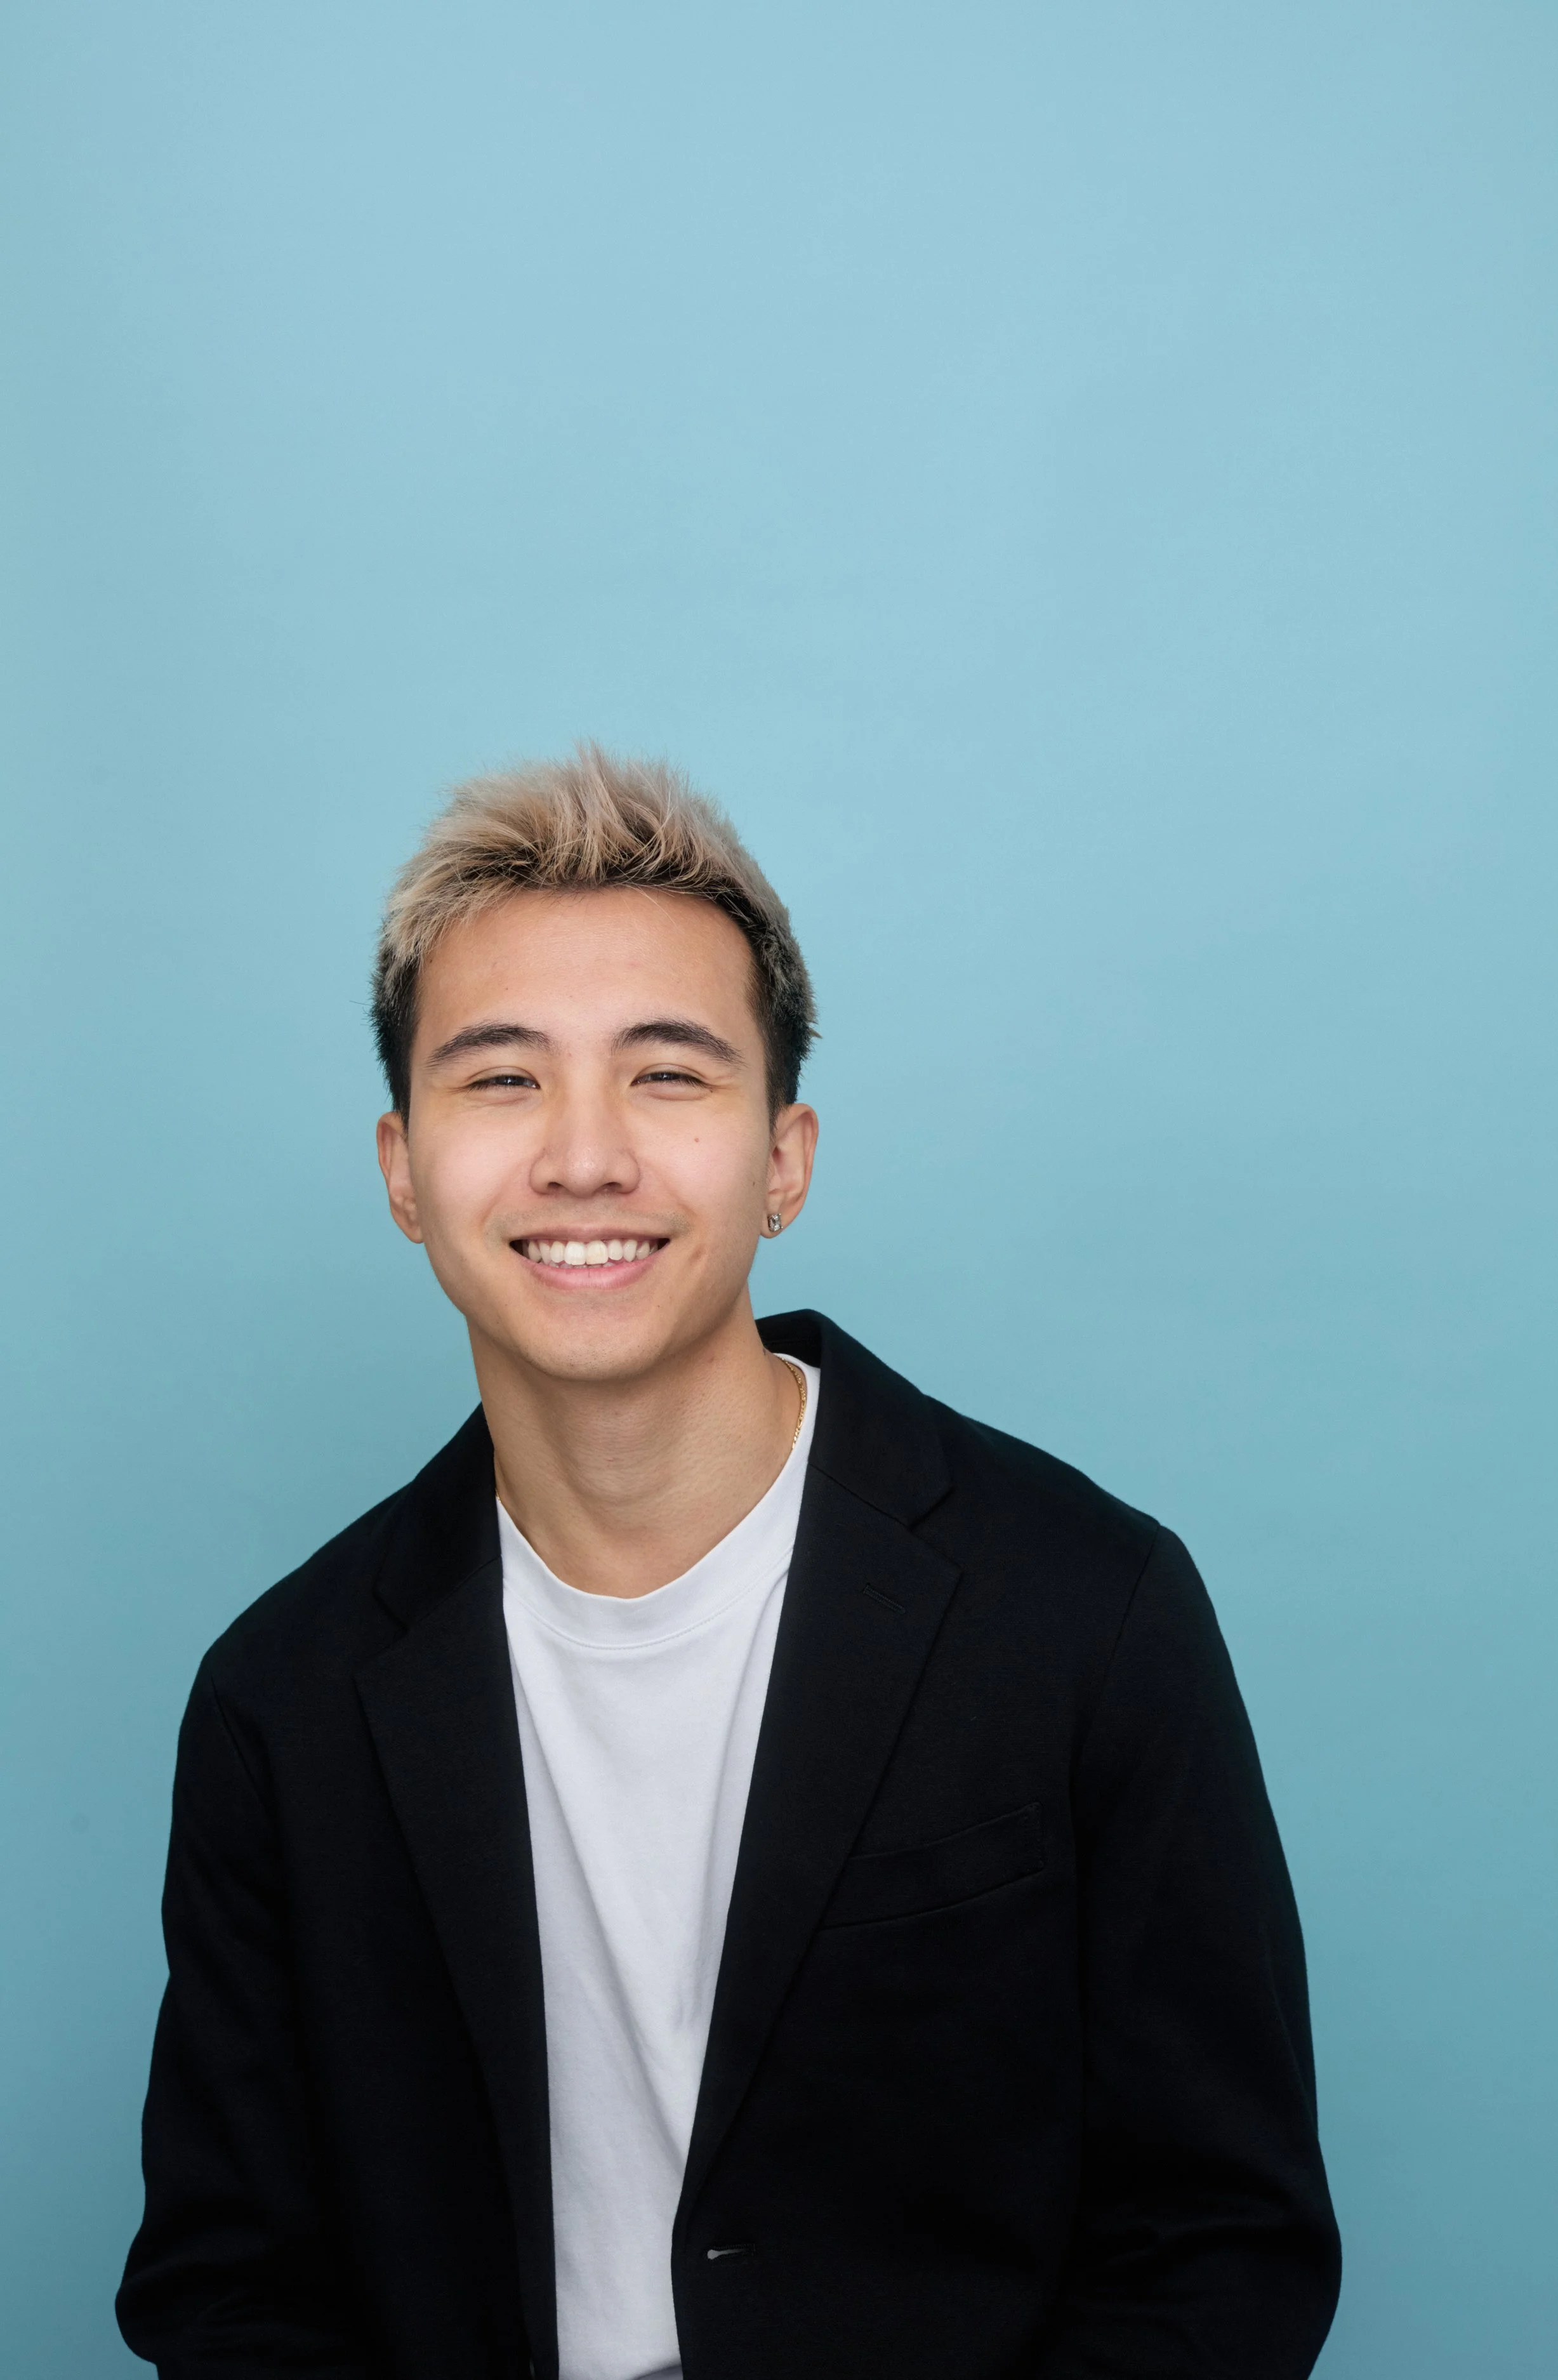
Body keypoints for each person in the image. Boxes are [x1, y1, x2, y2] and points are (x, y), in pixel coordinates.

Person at [117, 747, 1340, 2380]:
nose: (582, 1157)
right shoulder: (281, 1698)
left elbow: (1219, 2245)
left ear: (785, 1157)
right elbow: (233, 2285)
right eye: (500, 1078)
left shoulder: (1084, 1614)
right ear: (405, 1171)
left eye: (668, 1075)